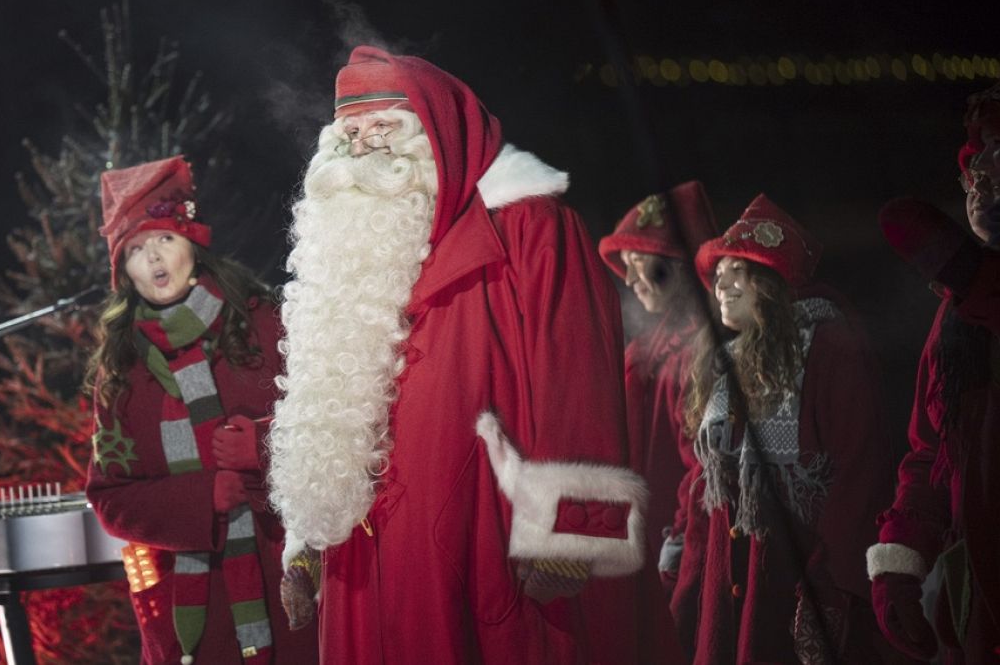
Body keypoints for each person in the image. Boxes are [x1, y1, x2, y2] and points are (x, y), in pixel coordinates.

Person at [267, 46, 648, 664]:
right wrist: (305, 539)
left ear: (436, 138)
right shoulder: (344, 260)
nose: (363, 151)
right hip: (360, 570)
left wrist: (570, 533)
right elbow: (324, 406)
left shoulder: (530, 231)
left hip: (482, 555)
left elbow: (578, 382)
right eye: (350, 135)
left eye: (383, 129)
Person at [84, 156, 318, 665]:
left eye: (164, 239)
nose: (154, 259)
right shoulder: (122, 370)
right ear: (122, 271)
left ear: (192, 241)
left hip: (292, 577)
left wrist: (262, 450)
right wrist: (201, 496)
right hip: (192, 611)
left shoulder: (263, 324)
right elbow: (110, 498)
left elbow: (332, 425)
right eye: (136, 250)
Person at [678, 195, 909, 664]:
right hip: (730, 603)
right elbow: (711, 495)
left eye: (735, 268)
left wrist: (826, 594)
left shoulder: (829, 346)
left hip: (793, 590)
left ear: (769, 277)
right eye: (718, 271)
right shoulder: (726, 368)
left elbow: (859, 476)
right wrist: (689, 586)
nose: (720, 281)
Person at [868, 81, 1000, 663]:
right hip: (977, 601)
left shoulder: (971, 292)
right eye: (980, 160)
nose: (986, 178)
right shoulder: (954, 314)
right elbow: (928, 452)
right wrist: (899, 565)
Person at [596, 180, 717, 662]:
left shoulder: (700, 352)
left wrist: (677, 554)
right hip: (639, 548)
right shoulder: (642, 351)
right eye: (627, 265)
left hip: (675, 549)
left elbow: (700, 468)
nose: (631, 279)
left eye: (645, 264)